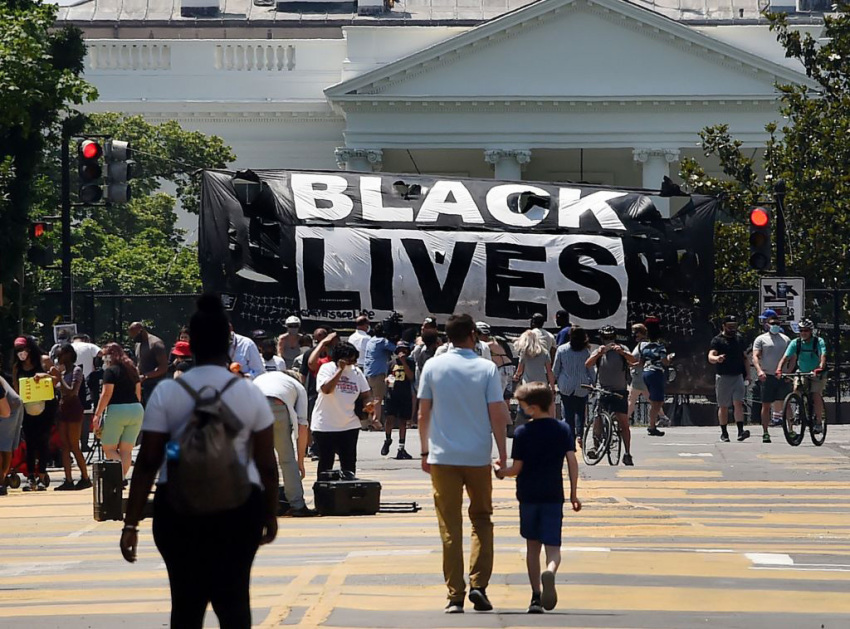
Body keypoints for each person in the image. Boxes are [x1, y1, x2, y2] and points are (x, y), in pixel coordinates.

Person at [121, 293, 278, 629]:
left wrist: (130, 523)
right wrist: (270, 514)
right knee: (234, 602)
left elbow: (147, 462)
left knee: (186, 606)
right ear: (229, 346)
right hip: (239, 507)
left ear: (190, 346)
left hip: (177, 508)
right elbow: (267, 463)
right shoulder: (248, 392)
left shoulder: (168, 393)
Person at [417, 313, 510, 614]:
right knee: (481, 519)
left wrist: (423, 451)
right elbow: (497, 413)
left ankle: (455, 595)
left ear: (446, 336)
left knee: (449, 525)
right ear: (473, 335)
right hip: (477, 456)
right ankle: (479, 584)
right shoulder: (486, 368)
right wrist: (503, 453)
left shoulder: (432, 365)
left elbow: (422, 414)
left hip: (442, 457)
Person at [494, 382, 581, 614]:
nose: (520, 409)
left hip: (528, 496)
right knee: (553, 547)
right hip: (553, 495)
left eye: (521, 405)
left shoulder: (523, 433)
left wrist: (500, 471)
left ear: (532, 408)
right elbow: (572, 462)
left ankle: (535, 596)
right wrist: (573, 493)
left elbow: (516, 469)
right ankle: (550, 571)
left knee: (532, 548)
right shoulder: (562, 429)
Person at [253, 370, 316, 517]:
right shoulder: (298, 386)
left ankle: (253, 504)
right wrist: (300, 461)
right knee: (287, 460)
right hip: (277, 407)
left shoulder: (262, 378)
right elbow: (302, 427)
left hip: (254, 406)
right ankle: (297, 505)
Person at [311, 342, 372, 476]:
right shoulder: (327, 369)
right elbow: (326, 390)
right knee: (326, 462)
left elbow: (365, 393)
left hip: (349, 424)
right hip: (325, 425)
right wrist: (340, 370)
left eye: (355, 359)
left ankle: (348, 494)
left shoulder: (356, 372)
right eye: (350, 359)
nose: (354, 362)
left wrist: (368, 405)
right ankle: (324, 494)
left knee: (349, 463)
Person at [585, 326, 637, 465]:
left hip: (619, 391)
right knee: (598, 417)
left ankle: (627, 453)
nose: (609, 341)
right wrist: (598, 354)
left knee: (624, 423)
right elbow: (588, 364)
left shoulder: (622, 348)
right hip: (603, 390)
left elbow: (633, 360)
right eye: (606, 338)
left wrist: (623, 353)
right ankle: (595, 447)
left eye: (611, 338)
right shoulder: (600, 350)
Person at [12, 336, 57, 492]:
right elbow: (16, 389)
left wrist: (45, 376)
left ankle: (42, 472)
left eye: (23, 350)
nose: (21, 354)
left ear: (29, 349)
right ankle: (31, 475)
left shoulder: (43, 360)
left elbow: (57, 379)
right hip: (27, 407)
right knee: (30, 441)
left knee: (43, 439)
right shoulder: (17, 368)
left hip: (46, 406)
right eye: (17, 351)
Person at [93, 343, 144, 480]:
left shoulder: (110, 371)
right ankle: (121, 478)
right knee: (126, 450)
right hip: (136, 409)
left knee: (109, 448)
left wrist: (97, 414)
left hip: (117, 410)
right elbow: (138, 393)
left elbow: (106, 394)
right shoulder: (132, 370)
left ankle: (118, 479)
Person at [776, 318, 827, 432]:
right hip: (802, 371)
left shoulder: (818, 341)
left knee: (815, 394)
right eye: (801, 330)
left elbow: (822, 355)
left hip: (816, 372)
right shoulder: (796, 343)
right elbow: (785, 357)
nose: (803, 333)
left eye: (806, 330)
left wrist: (820, 367)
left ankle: (818, 422)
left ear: (811, 331)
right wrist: (779, 369)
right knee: (796, 389)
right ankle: (799, 408)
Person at [53, 344, 91, 490]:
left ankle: (85, 478)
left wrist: (59, 378)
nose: (58, 357)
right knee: (64, 446)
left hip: (74, 409)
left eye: (61, 354)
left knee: (74, 446)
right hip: (63, 409)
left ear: (69, 354)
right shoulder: (63, 372)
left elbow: (72, 392)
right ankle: (68, 480)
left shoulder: (76, 370)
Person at [708, 316, 751, 443]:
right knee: (724, 406)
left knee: (738, 403)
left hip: (738, 376)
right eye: (729, 325)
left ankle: (740, 431)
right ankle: (724, 433)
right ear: (724, 326)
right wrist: (717, 359)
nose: (732, 328)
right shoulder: (717, 340)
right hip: (723, 377)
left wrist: (748, 374)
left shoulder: (739, 339)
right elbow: (711, 356)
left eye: (734, 325)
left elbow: (745, 358)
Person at [752, 314, 790, 443]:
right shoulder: (761, 339)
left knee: (787, 404)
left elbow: (792, 356)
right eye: (772, 323)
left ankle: (790, 430)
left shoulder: (786, 339)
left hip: (782, 376)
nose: (775, 326)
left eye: (777, 323)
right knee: (766, 405)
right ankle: (765, 432)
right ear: (767, 324)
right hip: (767, 375)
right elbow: (755, 356)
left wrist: (789, 372)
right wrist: (759, 371)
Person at [552, 327, 594, 442]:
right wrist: (593, 383)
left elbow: (555, 369)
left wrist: (551, 383)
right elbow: (590, 369)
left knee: (568, 412)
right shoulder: (586, 351)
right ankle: (580, 434)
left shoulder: (561, 349)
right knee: (580, 411)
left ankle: (570, 436)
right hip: (582, 385)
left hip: (566, 385)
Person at [639, 317, 673, 438]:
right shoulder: (660, 347)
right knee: (657, 402)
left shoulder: (644, 347)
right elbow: (665, 362)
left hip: (646, 373)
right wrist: (669, 358)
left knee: (654, 401)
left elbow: (640, 363)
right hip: (656, 373)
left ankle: (652, 424)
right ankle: (652, 425)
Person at [381, 341, 415, 460]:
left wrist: (404, 362)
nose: (402, 352)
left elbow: (411, 377)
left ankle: (401, 447)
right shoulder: (391, 363)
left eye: (405, 350)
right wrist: (387, 380)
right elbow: (388, 375)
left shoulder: (410, 362)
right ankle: (388, 439)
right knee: (389, 418)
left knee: (402, 421)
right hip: (392, 394)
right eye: (400, 349)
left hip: (404, 394)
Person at [363, 322, 397, 430]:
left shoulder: (371, 340)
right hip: (378, 373)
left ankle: (368, 419)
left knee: (370, 398)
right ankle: (375, 421)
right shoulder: (382, 341)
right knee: (378, 399)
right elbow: (394, 348)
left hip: (368, 372)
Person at [129, 322, 169, 405]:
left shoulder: (156, 343)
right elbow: (139, 363)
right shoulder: (138, 344)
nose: (133, 338)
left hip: (155, 385)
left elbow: (163, 367)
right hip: (143, 386)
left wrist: (146, 376)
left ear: (141, 331)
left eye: (135, 335)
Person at [0, 373, 23, 497]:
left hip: (9, 408)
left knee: (3, 445)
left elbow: (6, 411)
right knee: (5, 445)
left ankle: (1, 481)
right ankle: (2, 479)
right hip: (11, 406)